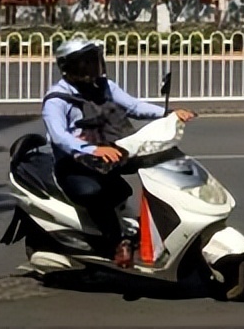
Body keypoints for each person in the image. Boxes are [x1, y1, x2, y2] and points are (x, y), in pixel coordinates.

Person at [41, 38, 195, 267]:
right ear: (69, 67)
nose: (93, 67)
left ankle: (169, 223)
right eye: (86, 63)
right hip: (75, 164)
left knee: (158, 161)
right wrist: (93, 149)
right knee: (94, 193)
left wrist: (169, 113)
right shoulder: (57, 99)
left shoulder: (104, 87)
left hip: (108, 155)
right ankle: (117, 243)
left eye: (94, 61)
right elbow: (59, 136)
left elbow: (134, 107)